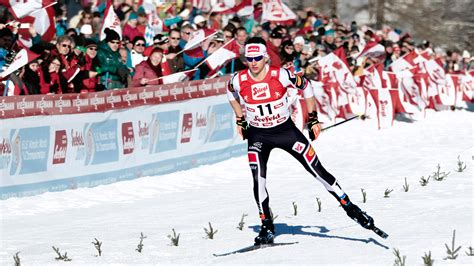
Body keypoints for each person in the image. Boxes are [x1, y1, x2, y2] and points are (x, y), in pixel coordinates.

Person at [227, 37, 375, 245]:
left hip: (286, 131)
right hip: (258, 135)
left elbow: (307, 87)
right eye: (249, 58)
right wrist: (240, 118)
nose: (253, 63)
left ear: (266, 57)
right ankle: (267, 226)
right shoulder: (238, 79)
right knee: (258, 180)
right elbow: (230, 93)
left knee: (318, 171)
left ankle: (352, 208)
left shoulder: (281, 75)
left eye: (257, 58)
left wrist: (313, 118)